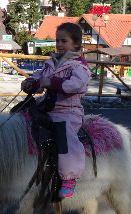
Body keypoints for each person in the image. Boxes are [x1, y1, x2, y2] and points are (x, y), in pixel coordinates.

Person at [21, 23, 90, 198]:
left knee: (64, 133)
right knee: (20, 118)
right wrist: (31, 83)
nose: (59, 44)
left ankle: (69, 176)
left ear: (76, 44)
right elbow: (39, 78)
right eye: (57, 40)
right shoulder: (51, 62)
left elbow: (76, 85)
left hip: (68, 109)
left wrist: (52, 83)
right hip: (47, 106)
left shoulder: (79, 67)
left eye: (63, 41)